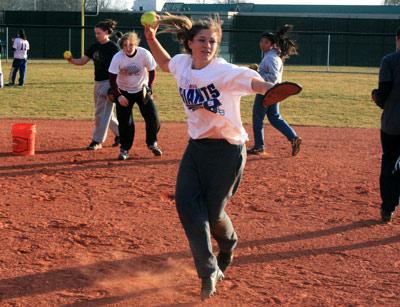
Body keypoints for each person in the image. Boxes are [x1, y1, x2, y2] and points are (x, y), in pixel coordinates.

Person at [144, 14, 275, 300]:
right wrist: (151, 38)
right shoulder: (182, 64)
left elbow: (253, 83)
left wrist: (271, 90)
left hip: (228, 151)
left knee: (213, 214)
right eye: (202, 40)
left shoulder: (224, 71)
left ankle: (228, 243)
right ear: (190, 43)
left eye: (212, 41)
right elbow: (166, 64)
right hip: (197, 149)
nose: (207, 45)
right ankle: (208, 270)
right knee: (187, 205)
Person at [247, 25, 302, 156]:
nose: (262, 44)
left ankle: (259, 146)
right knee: (274, 118)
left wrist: (256, 73)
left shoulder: (270, 58)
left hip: (266, 92)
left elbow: (273, 77)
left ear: (272, 45)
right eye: (261, 41)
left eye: (266, 42)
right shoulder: (272, 56)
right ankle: (293, 138)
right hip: (274, 92)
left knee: (258, 118)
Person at [66, 19, 120, 150]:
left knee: (100, 113)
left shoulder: (113, 48)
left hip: (109, 82)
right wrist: (71, 60)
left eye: (99, 33)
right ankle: (121, 134)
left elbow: (120, 66)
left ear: (107, 32)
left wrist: (115, 87)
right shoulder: (94, 47)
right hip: (97, 83)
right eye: (95, 33)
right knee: (107, 113)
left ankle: (97, 141)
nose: (96, 35)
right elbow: (83, 61)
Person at [108, 32, 162, 160]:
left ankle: (152, 143)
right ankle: (125, 149)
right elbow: (112, 78)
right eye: (125, 45)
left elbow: (152, 71)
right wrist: (119, 96)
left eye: (131, 44)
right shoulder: (118, 57)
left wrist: (149, 88)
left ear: (136, 44)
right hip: (124, 91)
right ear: (122, 46)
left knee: (153, 117)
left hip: (141, 90)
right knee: (125, 122)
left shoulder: (144, 53)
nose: (128, 47)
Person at [371, 26, 400, 223]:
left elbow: (383, 96)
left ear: (398, 39)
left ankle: (388, 208)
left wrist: (375, 96)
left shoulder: (390, 60)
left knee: (390, 161)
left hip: (393, 122)